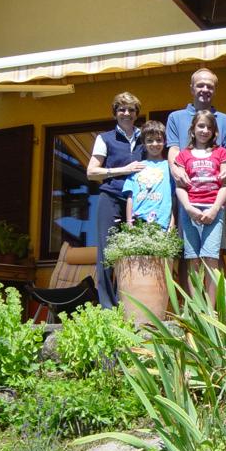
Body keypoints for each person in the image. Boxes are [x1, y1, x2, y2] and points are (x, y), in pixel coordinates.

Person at [166, 67, 226, 291]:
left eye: (210, 86)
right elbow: (173, 148)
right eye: (200, 85)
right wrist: (175, 170)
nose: (205, 89)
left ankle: (215, 306)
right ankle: (191, 305)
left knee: (214, 252)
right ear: (191, 88)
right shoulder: (176, 117)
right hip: (186, 194)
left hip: (215, 198)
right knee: (188, 254)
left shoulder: (225, 120)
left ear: (215, 89)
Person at [87, 91, 146, 308]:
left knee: (139, 249)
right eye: (122, 109)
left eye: (131, 110)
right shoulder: (105, 139)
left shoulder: (145, 136)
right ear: (115, 113)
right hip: (111, 197)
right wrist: (123, 170)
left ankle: (135, 304)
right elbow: (91, 172)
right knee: (107, 252)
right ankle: (108, 308)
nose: (126, 113)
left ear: (137, 113)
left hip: (139, 200)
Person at [174, 110, 226, 304]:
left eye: (209, 127)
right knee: (193, 258)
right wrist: (189, 208)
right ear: (192, 129)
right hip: (190, 210)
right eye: (201, 126)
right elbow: (180, 187)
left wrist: (215, 209)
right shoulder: (183, 155)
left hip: (214, 209)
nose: (204, 130)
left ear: (214, 132)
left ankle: (210, 309)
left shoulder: (220, 153)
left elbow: (225, 185)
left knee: (211, 258)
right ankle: (198, 307)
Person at [122, 120, 175, 230]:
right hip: (138, 223)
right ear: (144, 143)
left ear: (165, 141)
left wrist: (172, 224)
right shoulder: (137, 167)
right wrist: (129, 222)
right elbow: (130, 196)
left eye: (159, 140)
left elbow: (173, 197)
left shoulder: (170, 167)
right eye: (150, 140)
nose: (154, 144)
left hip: (162, 223)